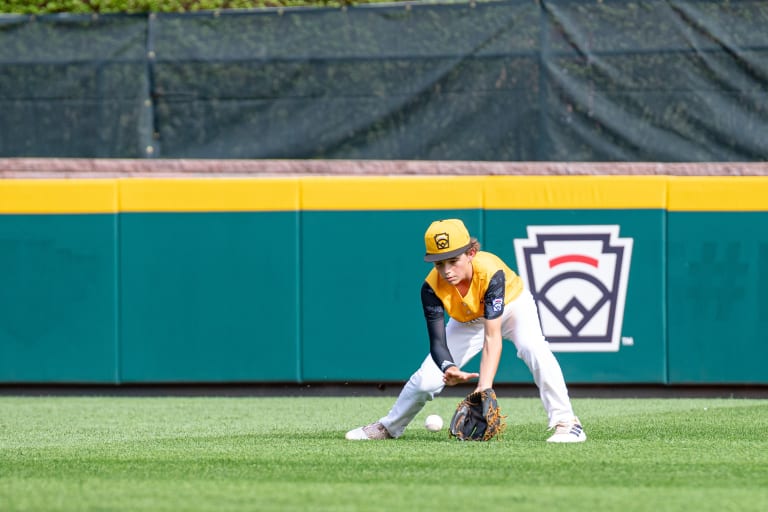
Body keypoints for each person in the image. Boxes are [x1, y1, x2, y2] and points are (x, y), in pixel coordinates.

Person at [345, 218, 586, 443]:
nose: (447, 270)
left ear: (471, 253)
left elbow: (492, 338)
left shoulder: (491, 273)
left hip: (513, 308)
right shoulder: (431, 288)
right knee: (426, 382)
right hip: (467, 321)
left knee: (533, 348)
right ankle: (389, 427)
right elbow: (438, 343)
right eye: (439, 263)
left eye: (453, 260)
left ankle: (567, 422)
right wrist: (448, 367)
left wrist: (484, 386)